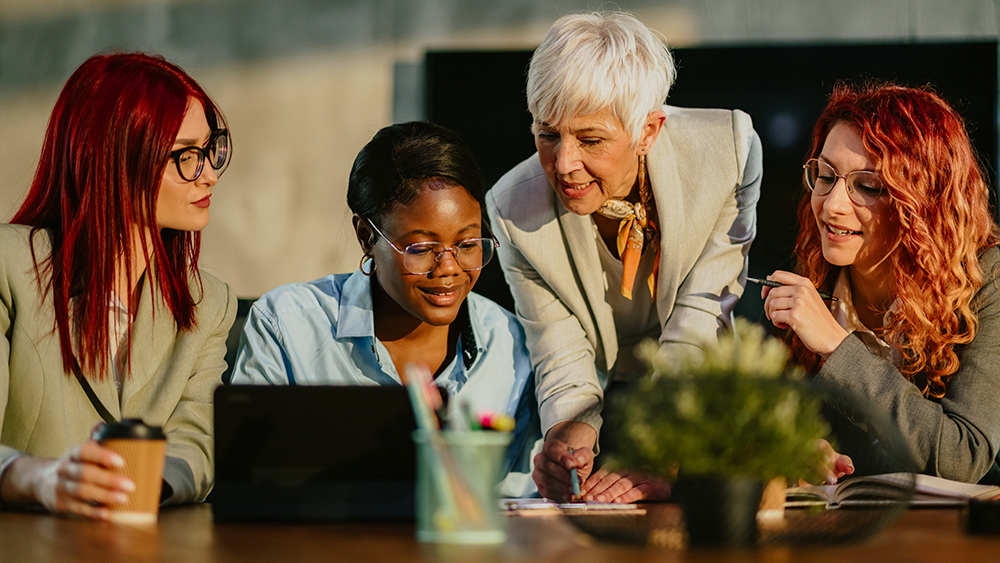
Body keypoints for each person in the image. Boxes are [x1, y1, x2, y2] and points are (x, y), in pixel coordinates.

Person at [486, 10, 762, 502]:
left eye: (590, 139)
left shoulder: (729, 153)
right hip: (602, 391)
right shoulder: (511, 208)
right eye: (547, 134)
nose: (564, 163)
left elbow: (701, 313)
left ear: (649, 131)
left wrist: (664, 446)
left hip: (694, 399)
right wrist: (568, 430)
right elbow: (556, 342)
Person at [231, 121, 541, 496]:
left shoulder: (512, 344)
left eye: (467, 244)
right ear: (366, 236)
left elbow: (519, 503)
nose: (448, 269)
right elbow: (246, 481)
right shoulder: (288, 324)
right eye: (422, 249)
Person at [0, 53, 237, 518]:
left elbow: (199, 444)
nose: (208, 173)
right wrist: (40, 479)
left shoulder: (208, 303)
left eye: (211, 149)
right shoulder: (10, 267)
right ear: (113, 156)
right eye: (185, 156)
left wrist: (134, 489)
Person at [762, 82, 1000, 484]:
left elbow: (964, 456)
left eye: (868, 186)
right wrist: (791, 445)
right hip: (847, 530)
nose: (832, 205)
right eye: (825, 175)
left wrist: (837, 346)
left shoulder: (985, 279)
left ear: (924, 202)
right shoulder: (811, 276)